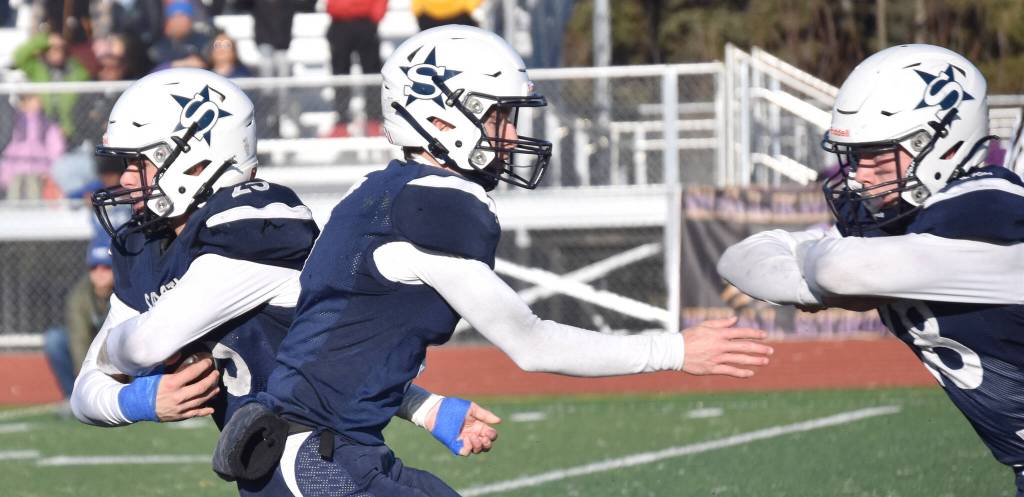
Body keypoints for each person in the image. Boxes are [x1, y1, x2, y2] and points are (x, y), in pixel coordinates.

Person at [226, 26, 772, 497]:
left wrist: (424, 408)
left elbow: (338, 349)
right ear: (441, 120)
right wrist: (674, 349)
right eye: (498, 118)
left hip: (323, 450)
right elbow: (531, 344)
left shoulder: (375, 194)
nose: (511, 137)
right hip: (315, 460)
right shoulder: (429, 207)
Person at [70, 68, 496, 493]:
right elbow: (85, 391)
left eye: (140, 162)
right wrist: (138, 400)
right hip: (299, 465)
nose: (125, 179)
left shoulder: (253, 226)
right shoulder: (145, 247)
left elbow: (145, 346)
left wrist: (425, 407)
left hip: (329, 457)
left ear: (196, 159)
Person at [716, 44, 1024, 497]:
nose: (859, 177)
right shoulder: (905, 219)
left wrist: (813, 272)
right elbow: (740, 258)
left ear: (941, 142)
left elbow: (841, 270)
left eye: (877, 155)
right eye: (853, 156)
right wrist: (812, 279)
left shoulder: (988, 210)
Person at [43, 235, 115, 402]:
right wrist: (88, 385)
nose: (99, 273)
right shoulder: (79, 295)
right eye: (94, 267)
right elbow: (79, 340)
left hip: (120, 349)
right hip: (92, 349)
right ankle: (73, 396)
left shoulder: (129, 289)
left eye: (106, 267)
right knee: (55, 340)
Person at [12, 30, 90, 139]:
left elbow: (87, 70)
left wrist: (67, 45)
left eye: (60, 49)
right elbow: (19, 56)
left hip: (70, 132)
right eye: (53, 49)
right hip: (42, 130)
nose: (56, 52)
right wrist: (46, 41)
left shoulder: (74, 70)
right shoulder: (37, 69)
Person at [325, 0, 386, 137]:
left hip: (365, 22)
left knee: (371, 74)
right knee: (340, 76)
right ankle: (341, 123)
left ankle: (374, 121)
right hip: (339, 23)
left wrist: (374, 18)